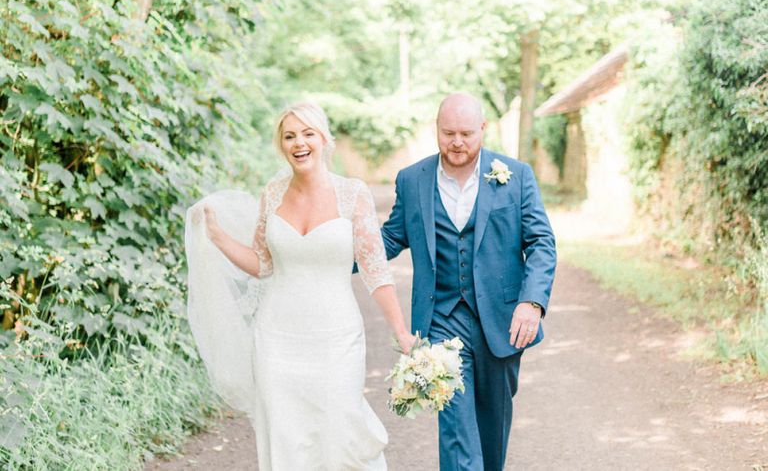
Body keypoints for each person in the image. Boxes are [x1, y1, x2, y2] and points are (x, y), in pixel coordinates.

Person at [185, 102, 416, 470]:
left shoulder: (353, 194)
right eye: (289, 136)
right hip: (276, 339)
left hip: (337, 339)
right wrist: (217, 236)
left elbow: (375, 271)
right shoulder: (273, 194)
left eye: (308, 133)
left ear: (325, 139)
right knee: (286, 438)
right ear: (281, 145)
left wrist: (401, 331)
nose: (299, 142)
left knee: (341, 434)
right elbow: (262, 263)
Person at [380, 92, 557, 471]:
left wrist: (532, 302)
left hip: (502, 320)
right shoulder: (412, 180)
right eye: (448, 133)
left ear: (482, 129)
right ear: (437, 130)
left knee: (492, 436)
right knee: (458, 431)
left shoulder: (516, 175)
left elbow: (541, 242)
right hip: (441, 321)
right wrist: (327, 253)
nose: (456, 142)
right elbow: (390, 239)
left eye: (465, 133)